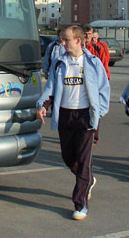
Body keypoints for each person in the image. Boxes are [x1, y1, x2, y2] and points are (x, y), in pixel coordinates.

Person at [36, 25, 110, 221]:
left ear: (78, 41)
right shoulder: (60, 63)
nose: (63, 43)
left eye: (66, 39)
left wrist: (98, 114)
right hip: (65, 115)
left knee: (84, 160)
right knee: (69, 157)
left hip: (85, 116)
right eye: (62, 39)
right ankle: (88, 179)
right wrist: (43, 105)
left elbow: (103, 90)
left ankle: (80, 203)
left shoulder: (93, 63)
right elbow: (50, 88)